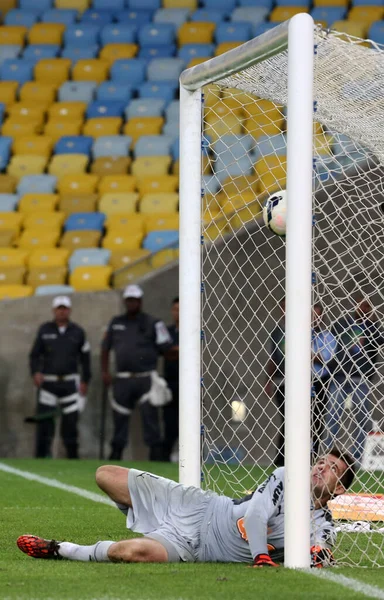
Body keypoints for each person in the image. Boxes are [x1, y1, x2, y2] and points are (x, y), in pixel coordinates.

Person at [17, 448, 355, 567]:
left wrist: (319, 556)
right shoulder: (286, 476)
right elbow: (254, 516)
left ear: (338, 488)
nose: (320, 467)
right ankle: (142, 509)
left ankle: (60, 549)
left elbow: (320, 549)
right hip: (197, 508)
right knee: (104, 475)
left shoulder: (322, 522)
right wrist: (261, 557)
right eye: (321, 460)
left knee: (128, 552)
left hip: (194, 549)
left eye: (332, 468)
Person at [101, 284, 173, 462]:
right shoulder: (115, 322)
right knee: (119, 419)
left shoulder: (154, 323)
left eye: (135, 300)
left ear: (140, 301)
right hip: (123, 379)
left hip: (145, 379)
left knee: (150, 419)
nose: (131, 303)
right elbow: (105, 348)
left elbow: (167, 349)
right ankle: (115, 455)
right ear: (125, 301)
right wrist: (104, 371)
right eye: (129, 300)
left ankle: (156, 458)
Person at [29, 295, 91, 459]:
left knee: (70, 427)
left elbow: (85, 359)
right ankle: (41, 460)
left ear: (69, 310)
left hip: (70, 385)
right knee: (45, 427)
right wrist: (35, 372)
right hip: (49, 385)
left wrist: (85, 380)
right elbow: (35, 355)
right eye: (59, 308)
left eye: (65, 308)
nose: (62, 311)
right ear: (54, 310)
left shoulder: (78, 332)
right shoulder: (44, 330)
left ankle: (73, 461)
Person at [324, 295, 384, 462]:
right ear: (355, 306)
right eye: (361, 306)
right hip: (340, 377)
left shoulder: (373, 327)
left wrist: (372, 321)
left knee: (362, 418)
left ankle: (356, 457)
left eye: (367, 307)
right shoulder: (342, 324)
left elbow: (381, 340)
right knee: (333, 416)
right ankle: (327, 453)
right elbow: (329, 343)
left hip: (361, 378)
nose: (364, 309)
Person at [312, 303, 337, 457]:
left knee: (318, 418)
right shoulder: (297, 335)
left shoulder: (328, 337)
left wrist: (312, 356)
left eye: (317, 315)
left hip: (321, 380)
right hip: (302, 381)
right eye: (312, 315)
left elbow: (327, 360)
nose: (314, 319)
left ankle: (314, 453)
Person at [265, 298, 285, 466]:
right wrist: (268, 381)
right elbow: (272, 357)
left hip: (301, 383)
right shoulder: (277, 332)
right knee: (286, 418)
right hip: (281, 381)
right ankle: (281, 459)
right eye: (283, 307)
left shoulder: (304, 329)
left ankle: (284, 458)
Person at [163, 297, 179, 462]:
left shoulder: (194, 331)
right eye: (175, 309)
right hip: (170, 382)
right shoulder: (166, 331)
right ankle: (165, 457)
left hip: (190, 385)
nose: (178, 313)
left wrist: (173, 350)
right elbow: (165, 351)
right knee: (169, 423)